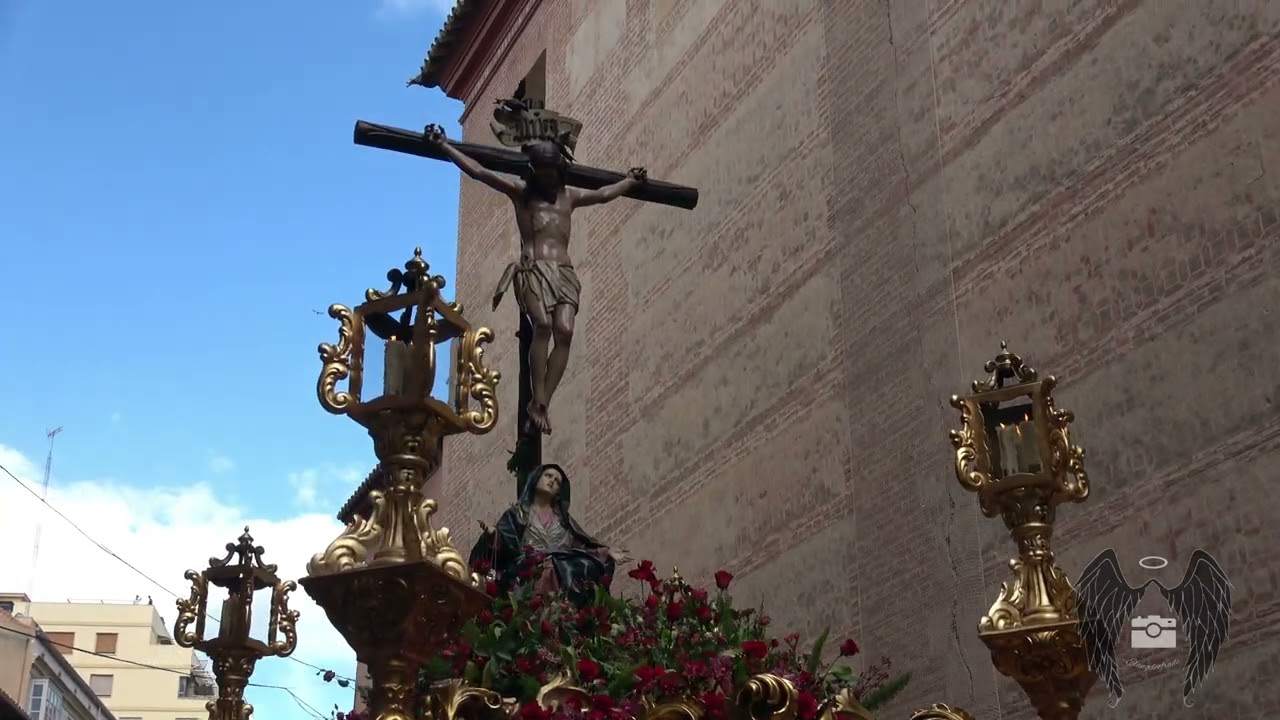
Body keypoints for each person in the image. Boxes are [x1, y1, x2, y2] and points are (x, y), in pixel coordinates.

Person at [423, 124, 646, 435]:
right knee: (542, 325)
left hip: (564, 273)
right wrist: (445, 146)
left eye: (551, 173)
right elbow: (479, 172)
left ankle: (542, 402)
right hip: (534, 270)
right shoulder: (521, 195)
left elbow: (602, 195)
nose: (547, 179)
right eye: (542, 174)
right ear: (534, 172)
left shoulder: (569, 197)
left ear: (559, 171)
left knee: (565, 331)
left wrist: (629, 182)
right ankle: (536, 397)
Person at [483, 464, 630, 605]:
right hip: (527, 569)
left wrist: (606, 552)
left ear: (559, 492)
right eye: (548, 476)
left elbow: (582, 547)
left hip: (562, 568)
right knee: (545, 570)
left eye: (557, 481)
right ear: (537, 479)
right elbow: (506, 544)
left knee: (585, 566)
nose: (552, 481)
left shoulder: (564, 520)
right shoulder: (517, 514)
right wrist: (494, 536)